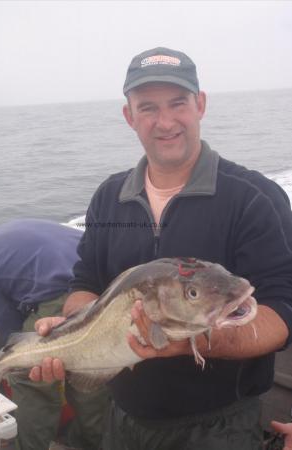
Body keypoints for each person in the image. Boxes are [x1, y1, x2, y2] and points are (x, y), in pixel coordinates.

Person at [29, 47, 292, 450]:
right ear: (128, 116)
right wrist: (71, 334)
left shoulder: (255, 197)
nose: (165, 122)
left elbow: (282, 312)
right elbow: (85, 283)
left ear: (200, 104)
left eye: (178, 103)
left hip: (219, 427)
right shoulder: (108, 198)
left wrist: (197, 340)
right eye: (148, 107)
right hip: (124, 420)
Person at [0, 219, 83, 450]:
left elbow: (10, 330)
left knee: (29, 375)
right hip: (97, 287)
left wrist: (11, 362)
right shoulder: (12, 229)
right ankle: (93, 440)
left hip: (61, 297)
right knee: (88, 373)